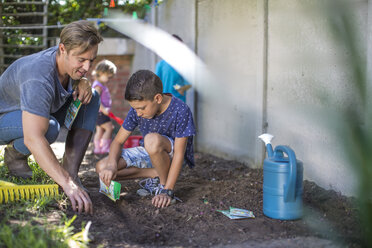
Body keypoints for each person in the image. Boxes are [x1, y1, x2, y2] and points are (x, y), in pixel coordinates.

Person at [0, 20, 103, 214]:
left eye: (92, 60)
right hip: (3, 118)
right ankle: (14, 157)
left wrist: (83, 80)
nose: (87, 67)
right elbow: (34, 137)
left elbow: (81, 72)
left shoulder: (68, 65)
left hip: (30, 113)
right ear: (62, 49)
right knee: (49, 127)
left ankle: (71, 172)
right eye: (81, 60)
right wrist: (64, 184)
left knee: (92, 97)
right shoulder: (38, 76)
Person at [96, 70, 196, 208]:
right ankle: (154, 175)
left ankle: (162, 184)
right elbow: (118, 141)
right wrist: (112, 166)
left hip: (171, 157)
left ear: (158, 98)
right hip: (149, 152)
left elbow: (179, 154)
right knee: (102, 167)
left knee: (151, 140)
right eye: (134, 109)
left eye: (141, 108)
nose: (138, 113)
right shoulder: (138, 109)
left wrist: (168, 191)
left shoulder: (181, 110)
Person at [155, 34, 192, 103]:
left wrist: (181, 89)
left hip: (179, 102)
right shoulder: (161, 64)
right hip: (164, 103)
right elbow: (156, 84)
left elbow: (189, 82)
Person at [92, 60, 117, 155]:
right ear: (102, 73)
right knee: (109, 128)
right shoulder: (98, 86)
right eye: (108, 77)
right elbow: (96, 100)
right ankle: (105, 148)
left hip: (98, 113)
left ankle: (98, 149)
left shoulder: (100, 84)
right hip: (101, 112)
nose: (109, 79)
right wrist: (104, 109)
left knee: (100, 130)